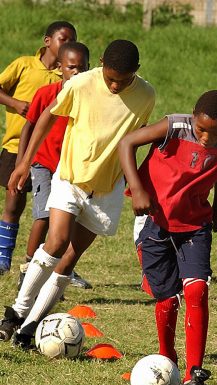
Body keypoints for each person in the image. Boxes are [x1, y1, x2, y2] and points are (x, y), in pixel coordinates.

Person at [0, 39, 155, 347]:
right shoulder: (82, 83)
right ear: (100, 64)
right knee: (55, 241)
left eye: (122, 81)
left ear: (135, 72)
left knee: (69, 260)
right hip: (70, 176)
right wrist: (24, 164)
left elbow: (138, 138)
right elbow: (46, 116)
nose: (114, 85)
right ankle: (14, 313)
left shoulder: (146, 95)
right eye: (110, 78)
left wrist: (139, 183)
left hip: (108, 188)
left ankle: (29, 329)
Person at [119, 90, 217, 385]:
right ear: (193, 117)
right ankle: (167, 360)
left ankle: (194, 377)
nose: (205, 138)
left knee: (197, 290)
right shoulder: (173, 127)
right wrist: (136, 187)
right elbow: (127, 143)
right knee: (167, 299)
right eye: (201, 129)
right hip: (154, 221)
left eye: (215, 132)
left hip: (195, 225)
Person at [0, 21, 77, 275]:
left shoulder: (67, 77)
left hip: (53, 156)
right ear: (47, 41)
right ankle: (3, 256)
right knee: (14, 204)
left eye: (72, 40)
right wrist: (14, 103)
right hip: (16, 147)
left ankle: (45, 262)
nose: (67, 45)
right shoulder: (24, 65)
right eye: (63, 39)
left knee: (50, 214)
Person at [16, 41, 92, 291]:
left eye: (82, 68)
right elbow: (30, 126)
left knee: (66, 221)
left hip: (71, 168)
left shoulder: (91, 98)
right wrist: (22, 162)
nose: (77, 73)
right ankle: (28, 268)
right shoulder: (46, 94)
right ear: (60, 68)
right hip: (44, 164)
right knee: (45, 216)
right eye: (72, 68)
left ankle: (58, 270)